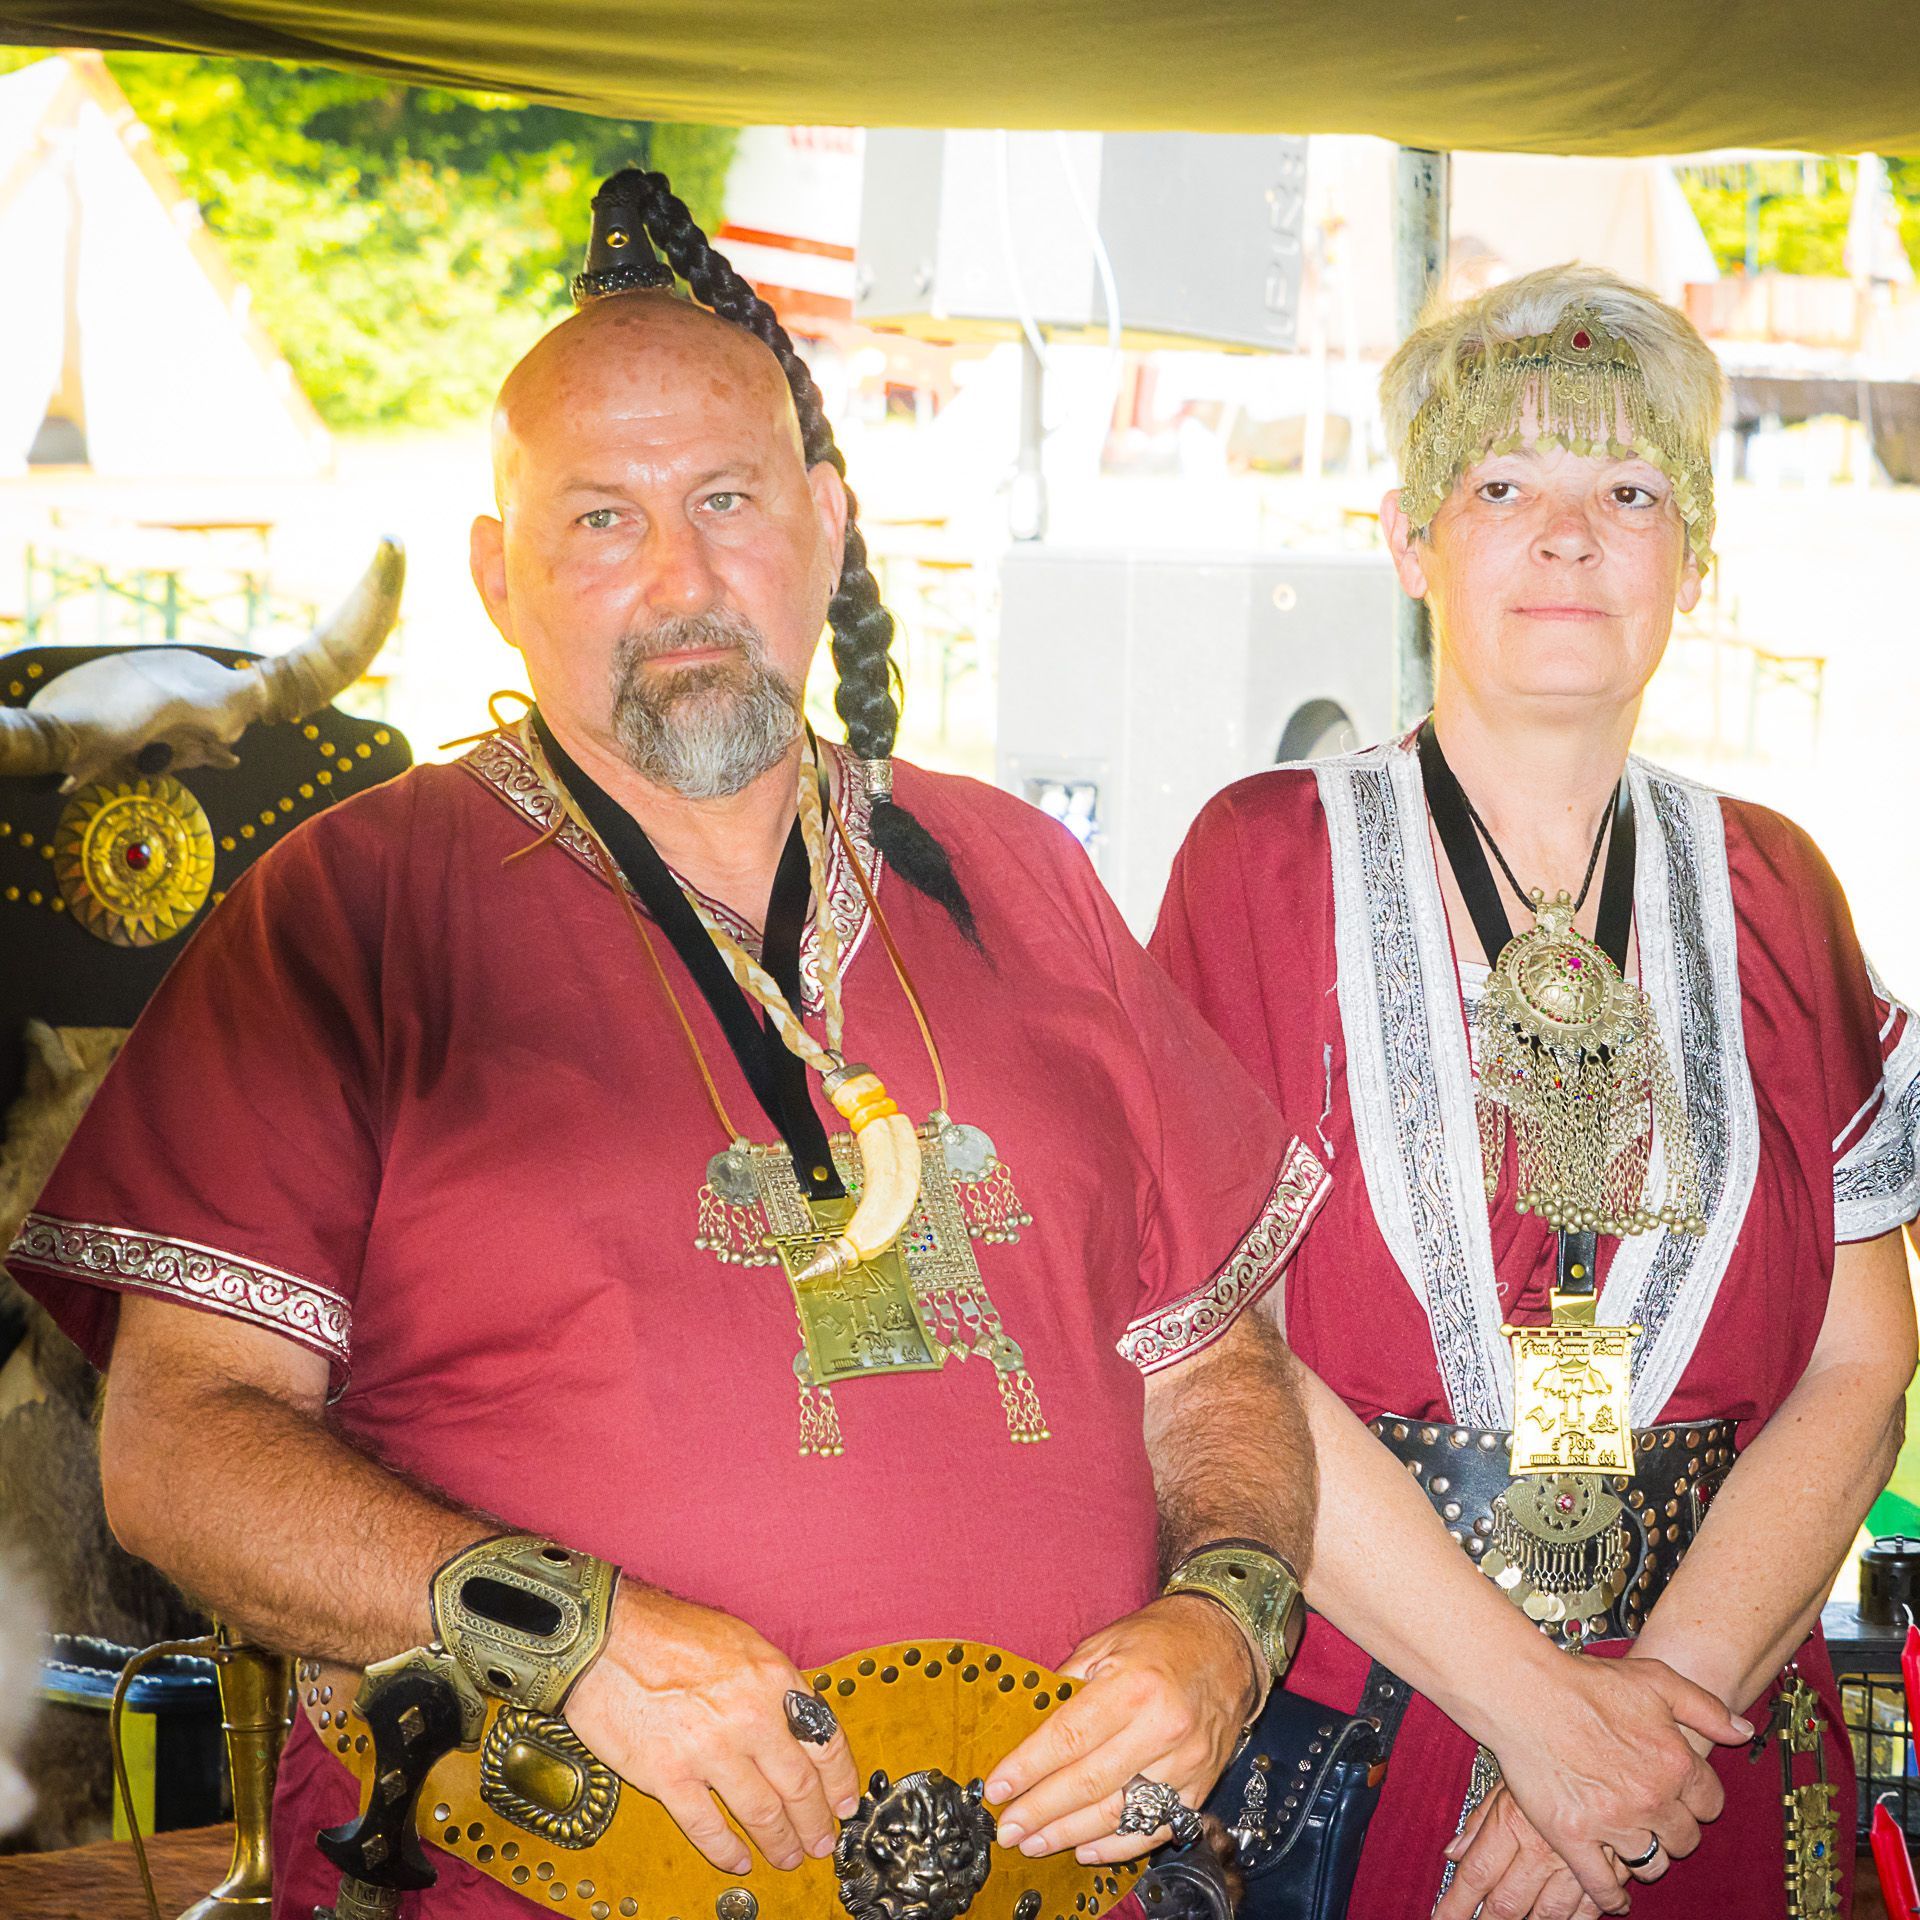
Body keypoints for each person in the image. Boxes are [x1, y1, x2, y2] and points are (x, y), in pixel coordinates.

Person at [9, 189, 1744, 1919]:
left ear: (828, 525)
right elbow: (179, 1445)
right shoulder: (351, 914)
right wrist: (567, 1634)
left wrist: (1221, 1626)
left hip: (1053, 1888)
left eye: (729, 501)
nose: (681, 578)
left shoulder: (1021, 879)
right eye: (602, 519)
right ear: (495, 573)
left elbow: (1213, 1373)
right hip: (540, 1881)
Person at [1151, 261, 1920, 1919]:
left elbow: (1863, 1360)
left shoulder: (1781, 888)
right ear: (1409, 539)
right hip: (1367, 1719)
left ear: (1695, 560)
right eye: (1503, 487)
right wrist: (1544, 1721)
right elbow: (1213, 1353)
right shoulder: (1258, 865)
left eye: (1628, 492)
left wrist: (1643, 1731)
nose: (1567, 538)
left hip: (1703, 1736)